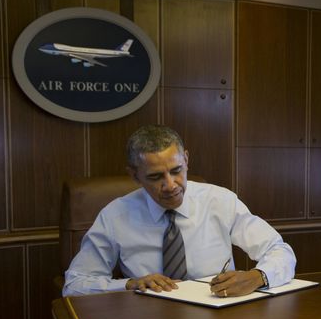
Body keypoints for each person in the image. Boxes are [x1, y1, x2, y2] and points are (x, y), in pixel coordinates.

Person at [63, 125, 296, 297]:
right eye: (155, 177)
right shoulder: (115, 215)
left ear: (186, 159)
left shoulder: (220, 200)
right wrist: (129, 284)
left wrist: (258, 277)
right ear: (134, 175)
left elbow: (280, 250)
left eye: (176, 170)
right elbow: (75, 284)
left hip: (219, 317)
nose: (171, 185)